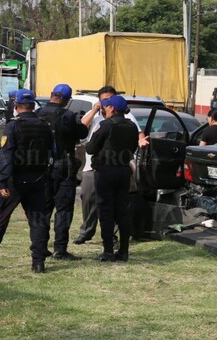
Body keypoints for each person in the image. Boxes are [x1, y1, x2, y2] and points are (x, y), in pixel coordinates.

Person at [0, 89, 53, 273]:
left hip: (16, 180)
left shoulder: (13, 126)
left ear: (16, 106)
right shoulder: (44, 125)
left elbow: (6, 156)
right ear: (33, 105)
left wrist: (3, 182)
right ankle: (38, 263)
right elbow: (52, 152)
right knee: (38, 219)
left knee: (1, 216)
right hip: (39, 179)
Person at [74, 86, 147, 245]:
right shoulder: (96, 116)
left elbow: (91, 147)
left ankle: (110, 240)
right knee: (89, 199)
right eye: (104, 100)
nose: (107, 103)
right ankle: (89, 232)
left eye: (110, 100)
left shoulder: (115, 123)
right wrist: (94, 111)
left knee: (109, 206)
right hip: (101, 168)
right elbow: (80, 129)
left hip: (106, 168)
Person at [36, 84, 88, 261]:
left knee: (43, 209)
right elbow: (82, 132)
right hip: (64, 166)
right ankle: (60, 249)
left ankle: (40, 246)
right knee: (64, 210)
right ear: (67, 100)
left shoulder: (38, 114)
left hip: (41, 167)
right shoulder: (68, 115)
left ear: (51, 95)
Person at [85, 95, 138, 262]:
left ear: (112, 109)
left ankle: (108, 251)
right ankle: (123, 252)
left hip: (106, 171)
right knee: (122, 211)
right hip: (123, 171)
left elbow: (90, 148)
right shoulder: (131, 126)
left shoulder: (105, 125)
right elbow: (132, 147)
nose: (103, 109)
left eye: (106, 107)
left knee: (106, 211)